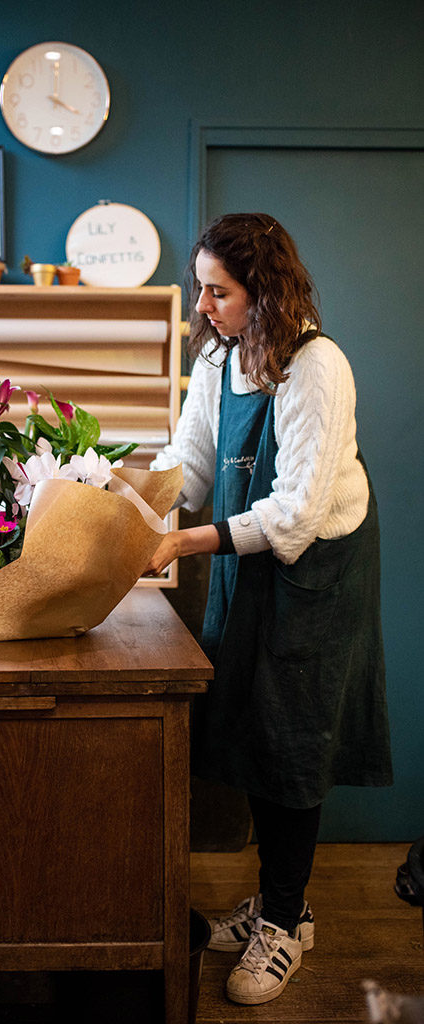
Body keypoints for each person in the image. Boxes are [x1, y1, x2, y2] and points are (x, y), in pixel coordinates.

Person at [146, 212, 392, 1006]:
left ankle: (284, 922)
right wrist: (117, 497)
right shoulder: (219, 358)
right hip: (247, 558)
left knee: (294, 734)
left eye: (217, 292)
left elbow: (294, 514)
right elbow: (189, 466)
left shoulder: (317, 366)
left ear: (264, 291)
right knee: (250, 718)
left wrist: (182, 546)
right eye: (199, 289)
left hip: (316, 569)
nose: (202, 308)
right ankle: (283, 902)